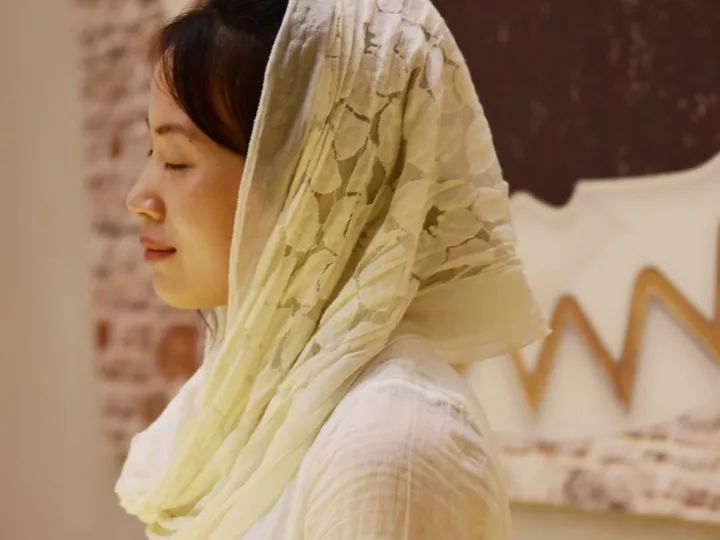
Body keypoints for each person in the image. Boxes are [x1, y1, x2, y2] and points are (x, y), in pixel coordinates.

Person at [118, 0, 551, 538]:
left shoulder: (386, 444)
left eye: (176, 160)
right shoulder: (246, 404)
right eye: (150, 152)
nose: (139, 198)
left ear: (306, 179)